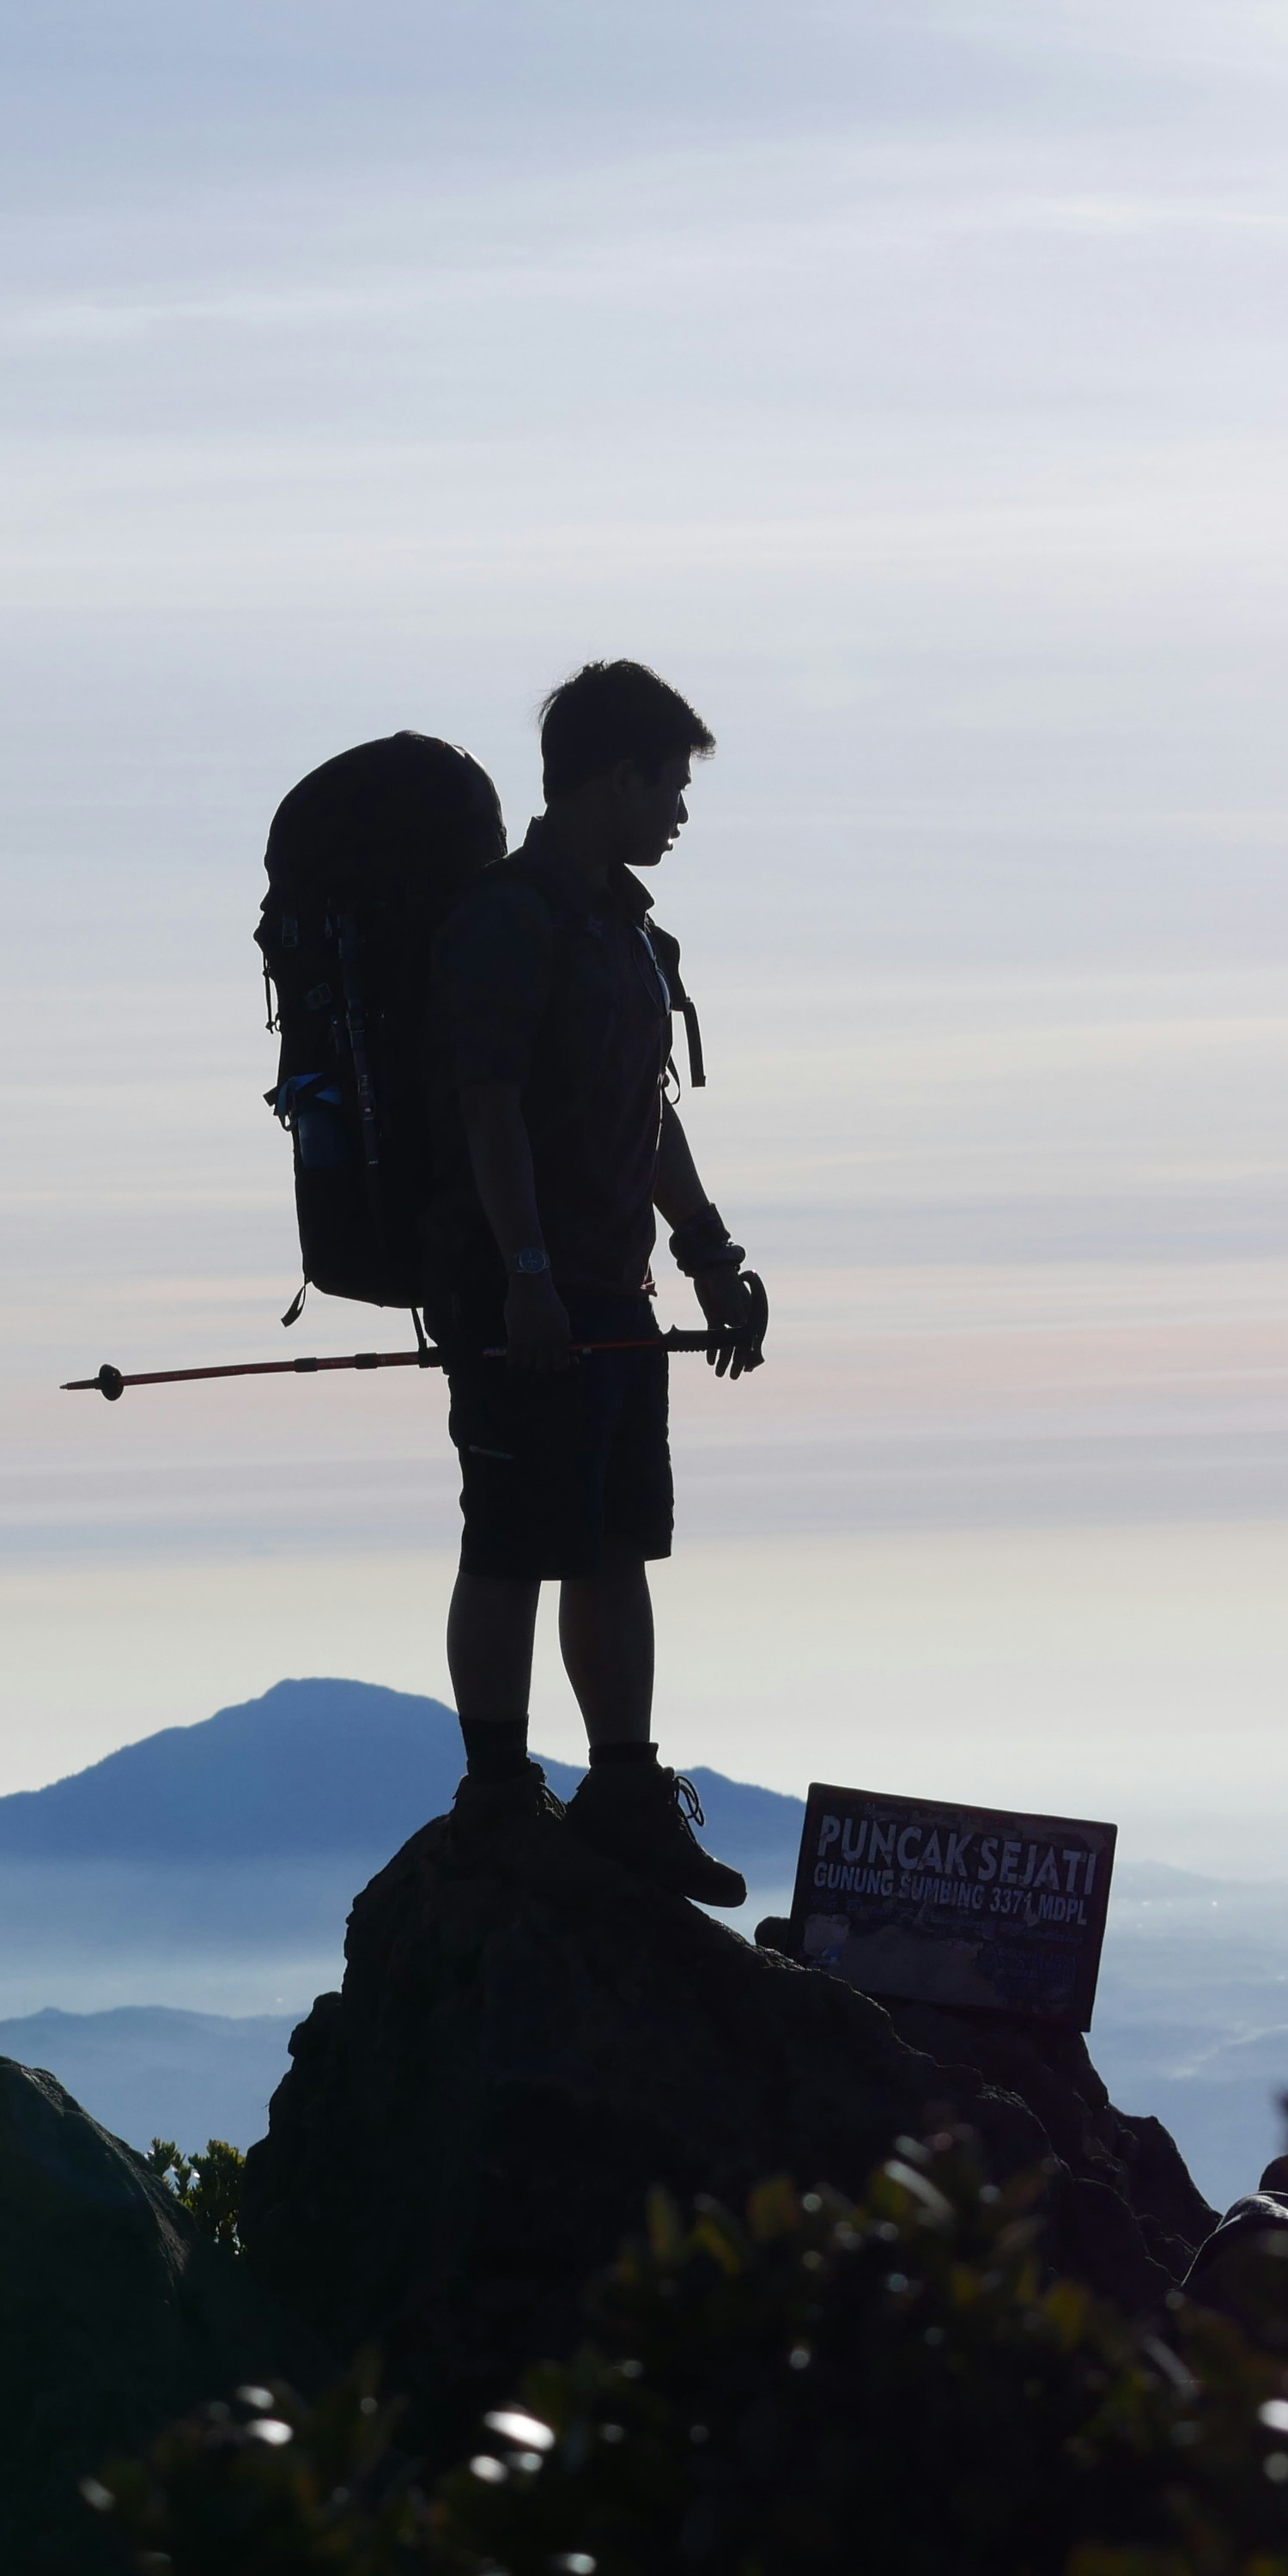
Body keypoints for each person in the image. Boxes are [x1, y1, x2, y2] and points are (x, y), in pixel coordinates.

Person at [426, 660, 764, 1903]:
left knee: (614, 1539)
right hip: (519, 1293)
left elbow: (645, 1111)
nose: (679, 810)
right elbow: (488, 1107)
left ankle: (623, 1788)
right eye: (670, 783)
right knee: (514, 1539)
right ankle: (499, 1788)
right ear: (612, 777)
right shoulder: (511, 919)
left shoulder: (619, 930)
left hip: (608, 1291)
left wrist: (710, 1250)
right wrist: (524, 1279)